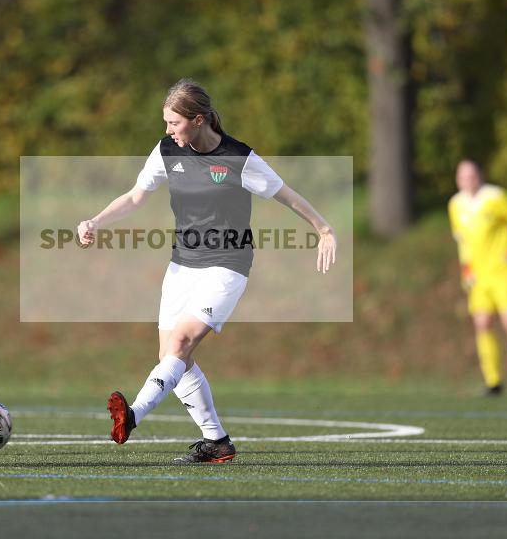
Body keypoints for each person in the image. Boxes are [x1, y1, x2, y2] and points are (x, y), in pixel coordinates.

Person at [77, 79, 337, 464]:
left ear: (198, 120)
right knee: (173, 357)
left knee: (179, 345)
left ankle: (132, 416)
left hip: (227, 265)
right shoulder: (167, 150)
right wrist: (96, 221)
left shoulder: (238, 158)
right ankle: (217, 442)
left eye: (174, 123)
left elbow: (287, 195)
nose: (168, 131)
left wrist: (324, 229)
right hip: (182, 265)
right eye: (166, 123)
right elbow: (135, 196)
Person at [449, 160, 507, 396]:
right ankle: (493, 381)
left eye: (471, 175)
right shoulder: (456, 205)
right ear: (458, 180)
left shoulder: (495, 197)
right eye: (462, 176)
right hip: (478, 276)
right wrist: (465, 268)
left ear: (480, 175)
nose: (467, 180)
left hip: (502, 271)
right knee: (482, 323)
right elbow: (462, 241)